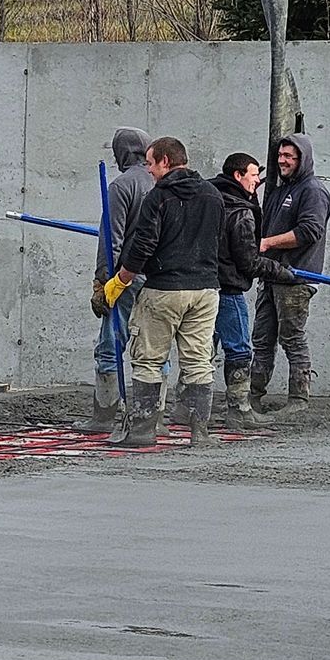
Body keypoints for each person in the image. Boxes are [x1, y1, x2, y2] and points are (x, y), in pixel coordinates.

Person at [100, 137, 223, 447]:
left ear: (166, 162)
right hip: (206, 291)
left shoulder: (159, 197)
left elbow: (143, 245)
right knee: (198, 361)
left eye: (152, 163)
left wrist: (119, 281)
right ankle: (200, 433)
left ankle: (142, 431)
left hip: (165, 289)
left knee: (148, 360)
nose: (150, 170)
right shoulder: (213, 195)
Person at [213, 152, 297, 427]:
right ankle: (239, 410)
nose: (258, 180)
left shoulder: (210, 199)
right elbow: (248, 262)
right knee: (238, 350)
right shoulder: (240, 213)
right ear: (238, 176)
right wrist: (281, 272)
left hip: (203, 286)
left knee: (201, 351)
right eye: (253, 175)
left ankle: (187, 409)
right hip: (229, 288)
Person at [250, 131, 330, 413]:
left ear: (302, 159)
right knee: (262, 338)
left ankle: (298, 400)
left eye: (289, 156)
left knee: (292, 337)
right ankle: (253, 396)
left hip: (296, 278)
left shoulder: (312, 191)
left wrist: (268, 243)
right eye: (280, 155)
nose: (282, 161)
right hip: (271, 276)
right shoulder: (279, 190)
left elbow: (310, 231)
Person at [80, 127, 152, 432]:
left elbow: (111, 239)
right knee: (152, 349)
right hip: (159, 281)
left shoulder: (122, 185)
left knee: (110, 344)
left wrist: (102, 282)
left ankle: (105, 415)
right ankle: (153, 417)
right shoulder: (160, 183)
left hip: (126, 278)